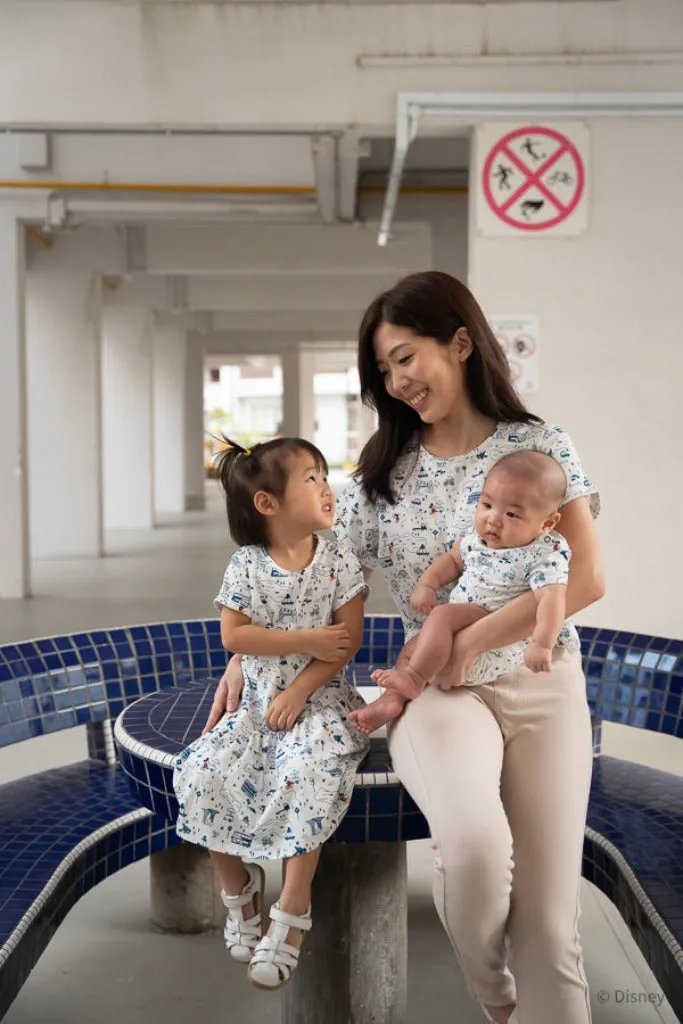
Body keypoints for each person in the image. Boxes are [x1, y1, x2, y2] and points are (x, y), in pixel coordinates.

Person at [205, 271, 604, 1024]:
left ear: (458, 342)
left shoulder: (540, 447)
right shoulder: (377, 478)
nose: (394, 381)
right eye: (382, 370)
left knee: (551, 925)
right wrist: (246, 654)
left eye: (403, 358)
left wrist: (473, 636)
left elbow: (584, 578)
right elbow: (310, 577)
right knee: (476, 851)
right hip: (435, 694)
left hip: (541, 686)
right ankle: (498, 1001)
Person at [173, 436, 369, 992]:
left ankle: (293, 910)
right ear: (268, 504)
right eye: (312, 478)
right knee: (202, 770)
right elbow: (234, 634)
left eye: (325, 475)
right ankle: (240, 890)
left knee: (307, 769)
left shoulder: (338, 559)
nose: (327, 486)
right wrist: (305, 637)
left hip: (319, 702)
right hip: (258, 704)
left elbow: (347, 640)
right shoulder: (247, 567)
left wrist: (301, 689)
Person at [350, 449, 571, 735]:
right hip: (459, 627)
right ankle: (391, 700)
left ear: (547, 523)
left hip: (495, 632)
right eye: (487, 504)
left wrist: (542, 643)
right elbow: (453, 560)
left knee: (441, 616)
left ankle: (414, 679)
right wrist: (428, 585)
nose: (493, 519)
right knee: (413, 646)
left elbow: (552, 600)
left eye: (512, 513)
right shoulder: (477, 539)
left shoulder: (543, 553)